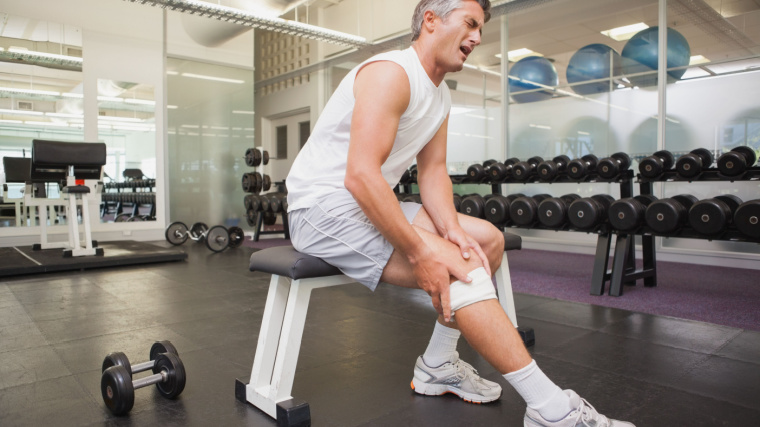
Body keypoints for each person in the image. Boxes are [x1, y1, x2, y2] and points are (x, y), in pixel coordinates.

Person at [286, 0, 635, 425]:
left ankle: (437, 364)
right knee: (458, 268)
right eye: (470, 24)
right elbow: (360, 176)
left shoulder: (440, 94)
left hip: (365, 199)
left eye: (481, 30)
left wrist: (450, 230)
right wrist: (421, 252)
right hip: (320, 208)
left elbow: (433, 173)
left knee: (484, 240)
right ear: (431, 21)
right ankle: (551, 409)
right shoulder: (390, 74)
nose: (476, 38)